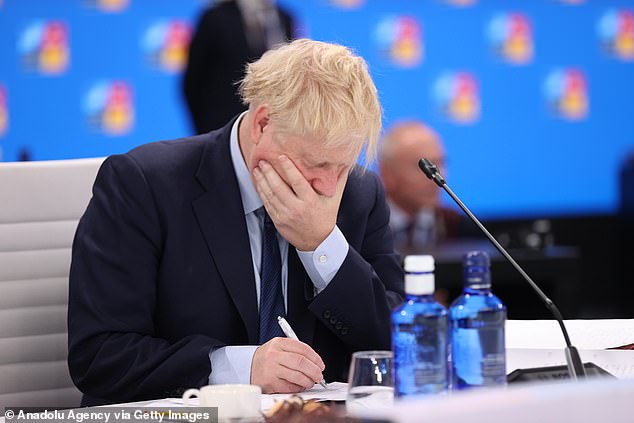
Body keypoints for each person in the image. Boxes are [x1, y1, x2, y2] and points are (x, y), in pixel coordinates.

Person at [68, 39, 404, 406]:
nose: (328, 186)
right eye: (316, 164)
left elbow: (397, 345)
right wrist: (238, 368)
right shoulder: (144, 184)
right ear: (262, 123)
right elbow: (100, 356)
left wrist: (322, 245)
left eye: (342, 165)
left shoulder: (358, 193)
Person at [183, 0, 294, 134]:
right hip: (222, 129)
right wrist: (206, 134)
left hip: (270, 130)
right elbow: (193, 82)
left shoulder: (285, 18)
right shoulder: (215, 18)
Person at [379, 121, 470, 254]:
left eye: (440, 163)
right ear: (386, 173)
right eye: (422, 168)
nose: (436, 176)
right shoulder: (361, 227)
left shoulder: (458, 226)